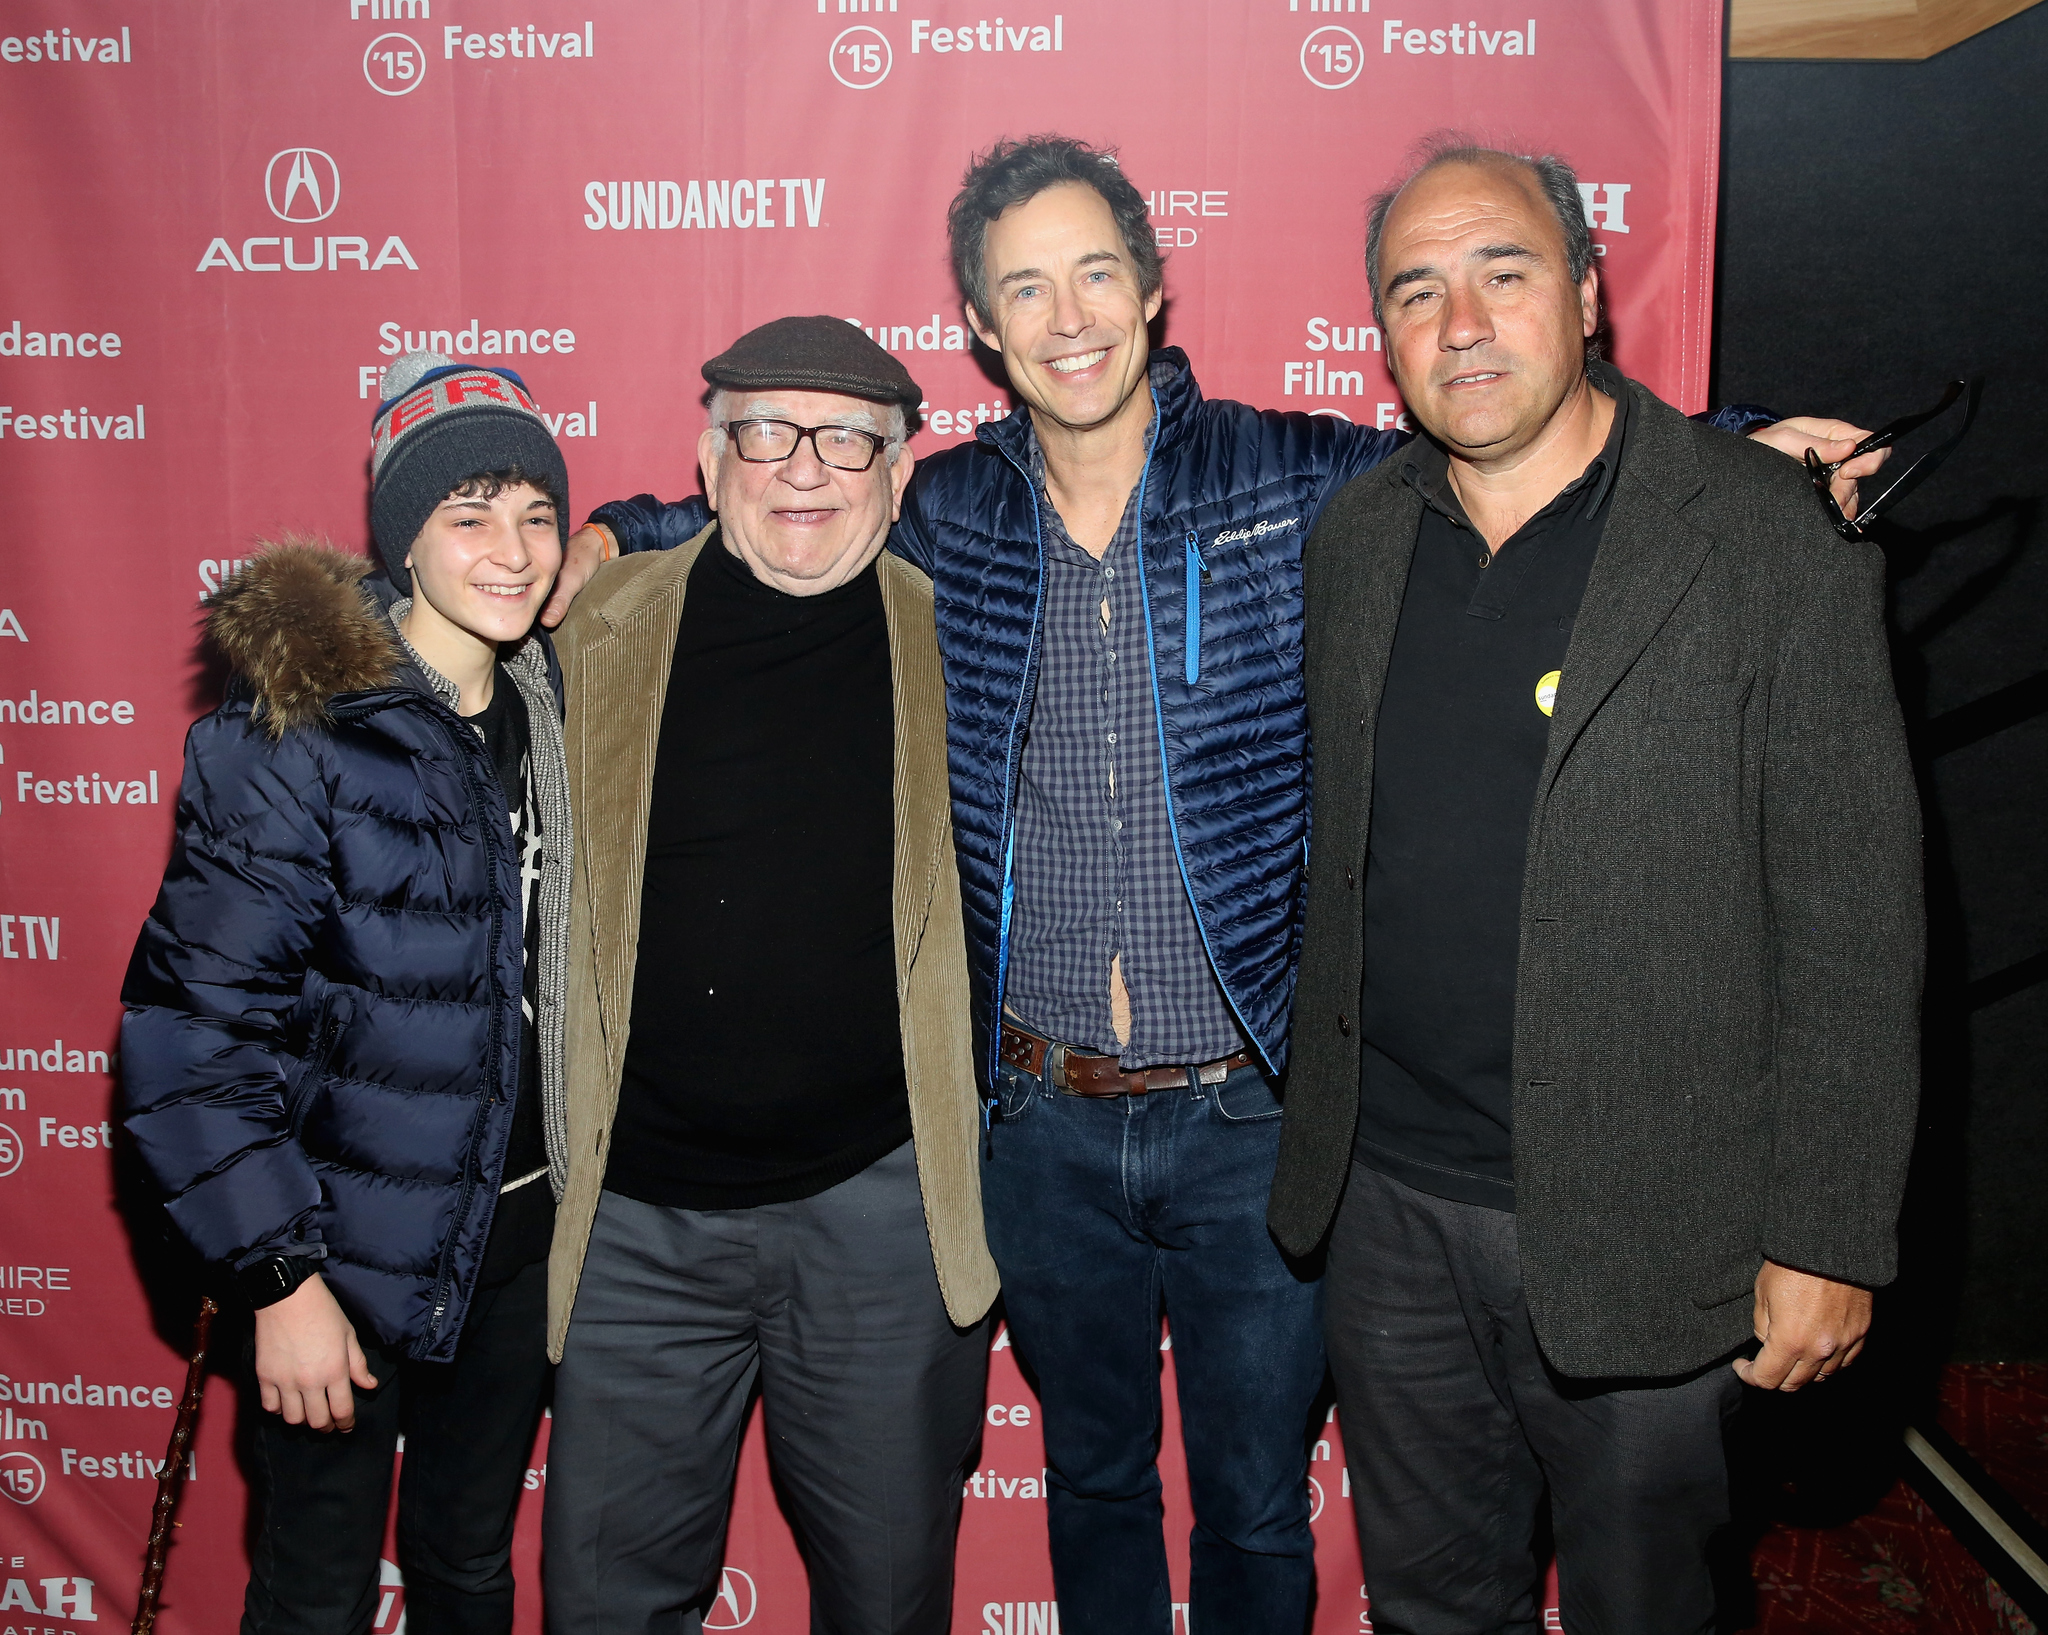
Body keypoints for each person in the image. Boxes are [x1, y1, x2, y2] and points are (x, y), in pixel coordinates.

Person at [548, 136, 1894, 1634]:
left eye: (1096, 274)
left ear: (1155, 289)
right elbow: (788, 504)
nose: (1067, 316)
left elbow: (1524, 440)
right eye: (1024, 288)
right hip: (1042, 1121)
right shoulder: (949, 512)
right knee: (1096, 1480)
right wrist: (611, 528)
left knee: (1258, 1494)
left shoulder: (1296, 475)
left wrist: (1743, 435)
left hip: (1251, 1117)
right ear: (983, 330)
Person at [1266, 138, 1924, 1635]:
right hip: (1389, 1207)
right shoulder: (1359, 539)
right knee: (1434, 1605)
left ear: (1586, 286)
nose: (1463, 322)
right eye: (1416, 291)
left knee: (1648, 1609)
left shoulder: (1768, 537)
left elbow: (1856, 913)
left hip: (1654, 1221)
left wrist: (1828, 1230)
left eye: (1503, 272)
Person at [540, 317, 997, 1635]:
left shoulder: (957, 624)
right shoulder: (589, 619)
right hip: (633, 1220)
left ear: (900, 475)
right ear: (709, 455)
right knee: (605, 1603)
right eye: (766, 431)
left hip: (877, 1215)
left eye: (848, 437)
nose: (806, 467)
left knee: (890, 1593)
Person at [120, 352, 576, 1633]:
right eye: (469, 513)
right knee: (316, 1593)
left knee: (469, 1568)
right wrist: (277, 1283)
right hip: (341, 1254)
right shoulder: (291, 732)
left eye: (536, 512)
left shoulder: (556, 703)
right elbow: (189, 1034)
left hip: (519, 1240)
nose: (514, 549)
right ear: (403, 538)